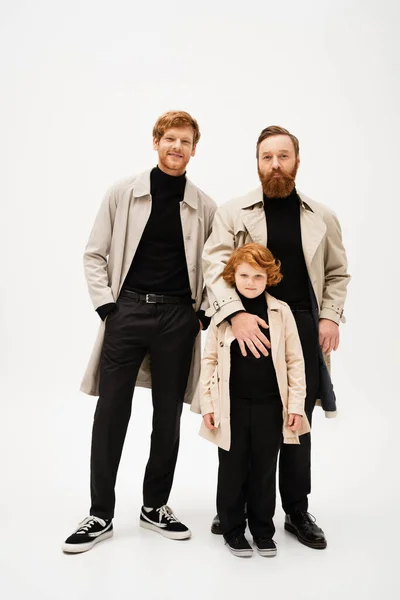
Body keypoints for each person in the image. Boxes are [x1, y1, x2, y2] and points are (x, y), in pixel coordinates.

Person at [62, 111, 216, 553]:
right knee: (111, 411)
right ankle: (100, 514)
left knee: (167, 417)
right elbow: (94, 254)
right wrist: (108, 307)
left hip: (177, 320)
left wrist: (201, 315)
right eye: (170, 139)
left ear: (193, 149)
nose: (177, 148)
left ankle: (155, 507)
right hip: (126, 312)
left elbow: (217, 265)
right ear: (156, 142)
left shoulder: (203, 205)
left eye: (186, 142)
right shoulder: (122, 193)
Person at [201, 125, 350, 549]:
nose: (275, 165)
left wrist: (331, 318)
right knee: (240, 415)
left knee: (294, 420)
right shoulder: (233, 212)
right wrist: (234, 315)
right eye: (268, 157)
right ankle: (234, 505)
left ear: (297, 162)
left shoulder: (322, 216)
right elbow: (213, 266)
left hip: (301, 326)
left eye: (283, 156)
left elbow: (337, 273)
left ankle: (297, 511)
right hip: (246, 325)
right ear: (258, 163)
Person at [198, 243, 310, 557]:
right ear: (233, 276)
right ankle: (233, 530)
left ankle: (263, 531)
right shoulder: (223, 315)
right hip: (231, 407)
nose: (250, 282)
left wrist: (297, 405)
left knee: (263, 469)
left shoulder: (281, 311)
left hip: (270, 407)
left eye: (258, 276)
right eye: (244, 275)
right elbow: (209, 361)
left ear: (268, 277)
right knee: (232, 469)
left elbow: (294, 361)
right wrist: (208, 405)